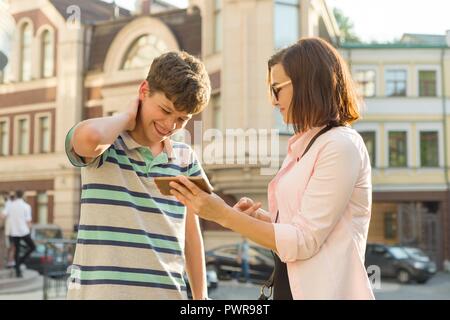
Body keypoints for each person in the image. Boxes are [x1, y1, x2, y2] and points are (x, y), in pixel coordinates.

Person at [169, 37, 375, 300]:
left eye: (277, 89)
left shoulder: (340, 145)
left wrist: (223, 215)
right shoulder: (306, 145)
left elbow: (304, 241)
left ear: (306, 83)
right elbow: (299, 228)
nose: (273, 100)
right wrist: (258, 220)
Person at [65, 51, 211, 300]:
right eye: (165, 110)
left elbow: (190, 236)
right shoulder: (108, 146)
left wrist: (201, 299)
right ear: (144, 91)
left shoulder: (185, 158)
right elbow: (89, 139)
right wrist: (125, 117)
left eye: (181, 119)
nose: (170, 125)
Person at [2, 190, 35, 278]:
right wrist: (30, 229)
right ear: (23, 195)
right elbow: (28, 221)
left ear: (16, 196)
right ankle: (20, 262)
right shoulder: (26, 206)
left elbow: (3, 216)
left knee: (17, 250)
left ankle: (18, 270)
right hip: (23, 231)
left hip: (14, 232)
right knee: (32, 247)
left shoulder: (10, 205)